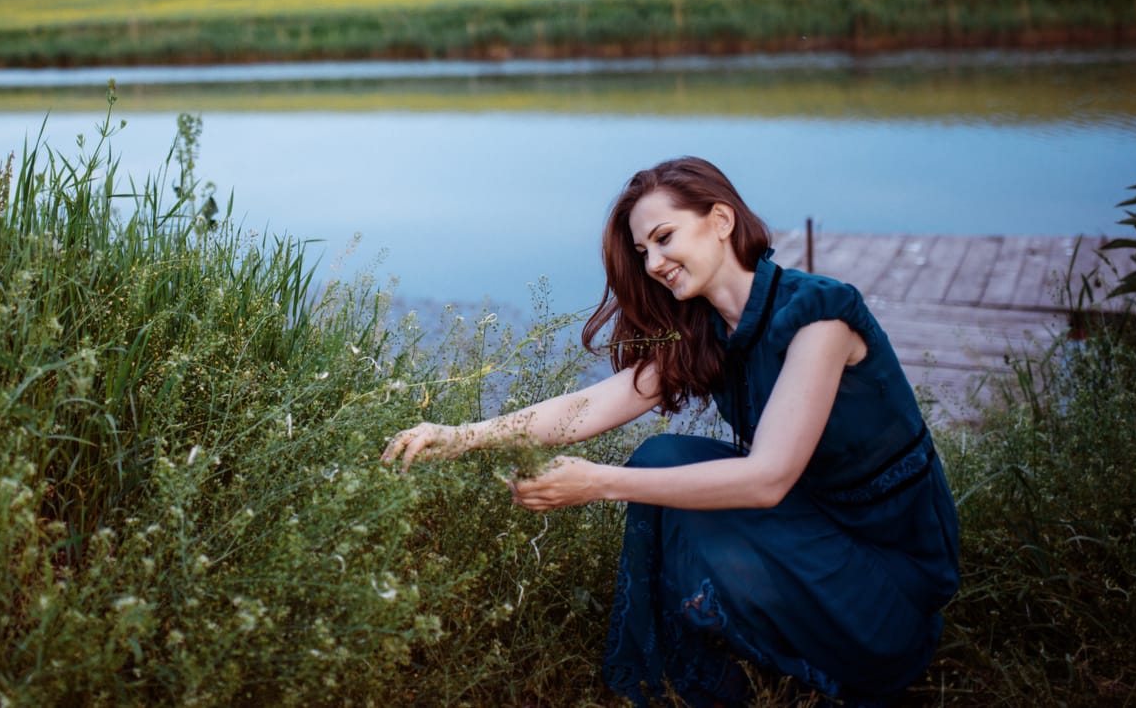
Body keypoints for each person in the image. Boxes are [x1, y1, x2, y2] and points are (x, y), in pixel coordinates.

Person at [382, 157, 959, 706]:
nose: (653, 263)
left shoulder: (819, 316)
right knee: (664, 456)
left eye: (663, 238)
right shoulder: (705, 331)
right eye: (642, 251)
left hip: (890, 588)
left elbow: (768, 480)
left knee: (661, 480)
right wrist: (460, 435)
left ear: (721, 220)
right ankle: (701, 675)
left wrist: (599, 482)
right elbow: (587, 405)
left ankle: (828, 662)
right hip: (817, 535)